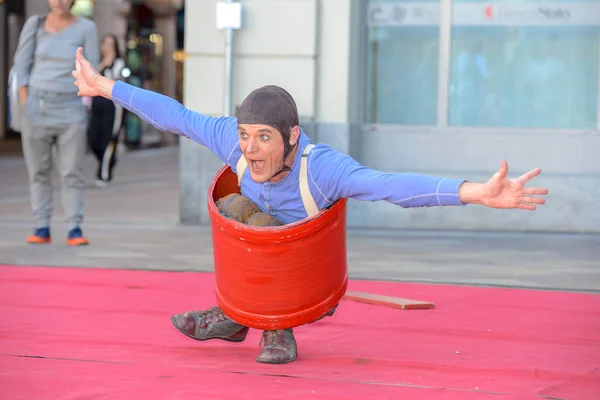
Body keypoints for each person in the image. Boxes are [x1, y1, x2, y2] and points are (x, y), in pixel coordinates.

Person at [71, 47, 548, 364]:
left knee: (252, 218)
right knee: (234, 207)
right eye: (245, 137)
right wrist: (105, 87)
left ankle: (270, 326)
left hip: (310, 279)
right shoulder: (232, 144)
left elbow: (391, 186)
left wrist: (476, 193)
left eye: (264, 138)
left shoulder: (322, 168)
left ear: (292, 137)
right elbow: (174, 115)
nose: (251, 150)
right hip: (258, 270)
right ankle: (240, 314)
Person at [13, 0, 99, 245]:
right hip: (36, 106)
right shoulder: (35, 24)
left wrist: (85, 104)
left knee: (72, 171)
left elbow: (90, 69)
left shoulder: (86, 28)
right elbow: (21, 65)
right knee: (38, 170)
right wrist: (25, 103)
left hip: (70, 107)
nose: (59, 1)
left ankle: (74, 228)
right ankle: (41, 226)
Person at [87, 34, 126, 187]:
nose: (108, 47)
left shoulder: (119, 63)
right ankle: (110, 160)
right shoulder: (97, 63)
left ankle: (104, 175)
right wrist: (102, 65)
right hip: (97, 104)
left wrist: (108, 66)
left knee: (109, 139)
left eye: (111, 44)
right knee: (93, 139)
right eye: (105, 43)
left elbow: (116, 82)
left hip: (113, 105)